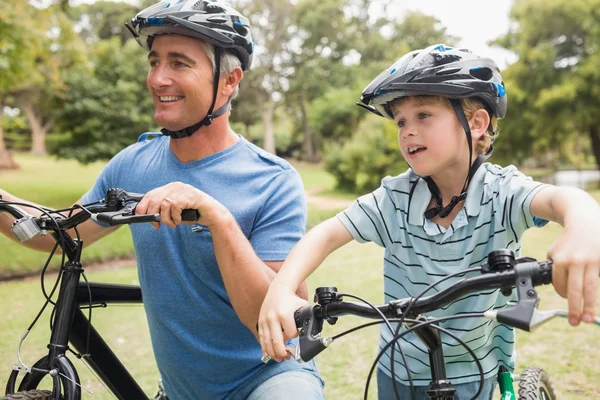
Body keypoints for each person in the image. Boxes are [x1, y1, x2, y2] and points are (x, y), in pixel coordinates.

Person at [0, 1, 325, 399]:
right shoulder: (132, 165)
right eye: (154, 62)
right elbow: (55, 233)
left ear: (229, 80)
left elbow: (276, 320)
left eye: (179, 63)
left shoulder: (272, 181)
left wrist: (218, 220)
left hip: (270, 380)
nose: (158, 78)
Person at [257, 44, 600, 399]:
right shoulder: (395, 197)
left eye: (423, 115)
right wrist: (282, 287)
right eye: (401, 120)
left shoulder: (503, 191)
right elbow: (326, 234)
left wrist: (585, 226)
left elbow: (565, 200)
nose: (406, 130)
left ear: (476, 122)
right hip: (398, 366)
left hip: (474, 368)